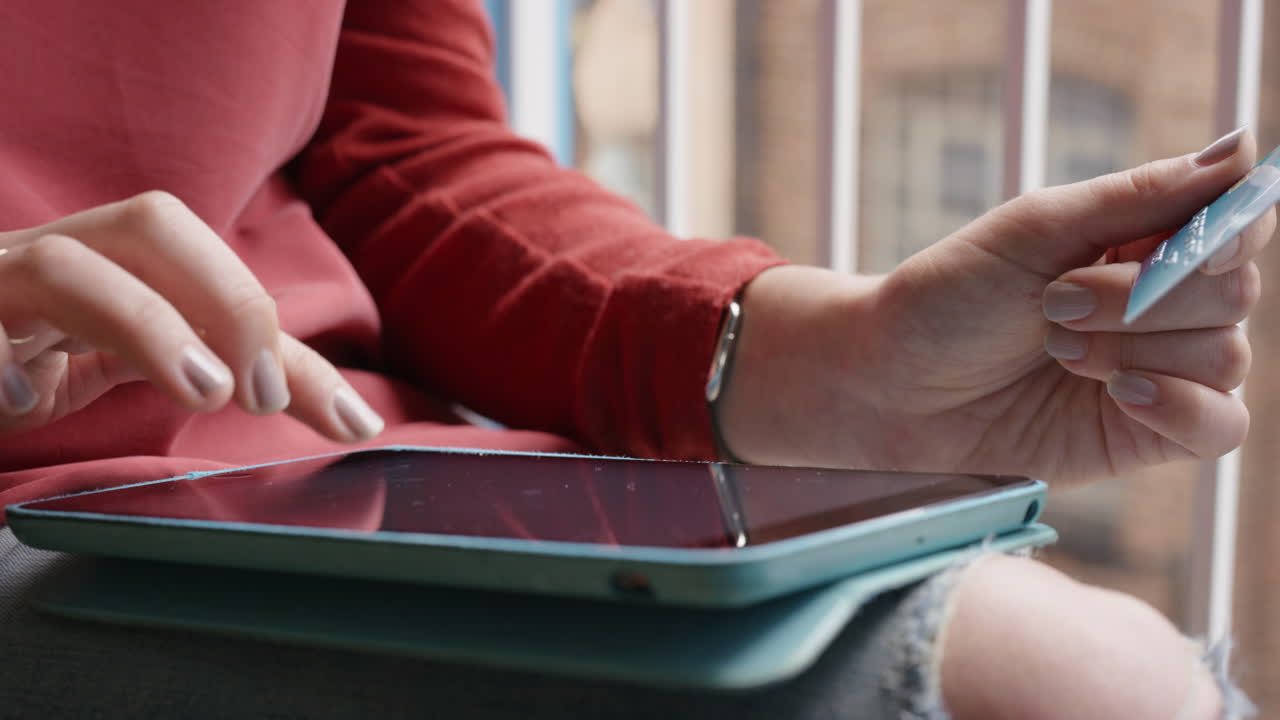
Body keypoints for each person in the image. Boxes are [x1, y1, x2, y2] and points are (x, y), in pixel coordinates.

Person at [0, 1, 1265, 718]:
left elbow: (400, 148)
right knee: (1054, 683)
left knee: (1099, 671)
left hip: (341, 472)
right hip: (44, 506)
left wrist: (840, 359)